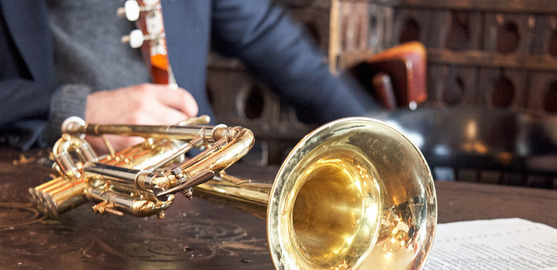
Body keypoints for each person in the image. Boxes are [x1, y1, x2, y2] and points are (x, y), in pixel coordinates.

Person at [0, 0, 376, 152]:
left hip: (189, 177)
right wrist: (74, 111)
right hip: (44, 182)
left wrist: (375, 135)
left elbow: (262, 33)